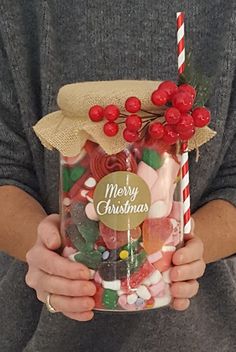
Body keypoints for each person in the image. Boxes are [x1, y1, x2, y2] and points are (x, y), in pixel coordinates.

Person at [0, 1, 235, 351]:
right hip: (39, 336)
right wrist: (45, 250)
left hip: (207, 336)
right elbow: (7, 168)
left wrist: (183, 251)